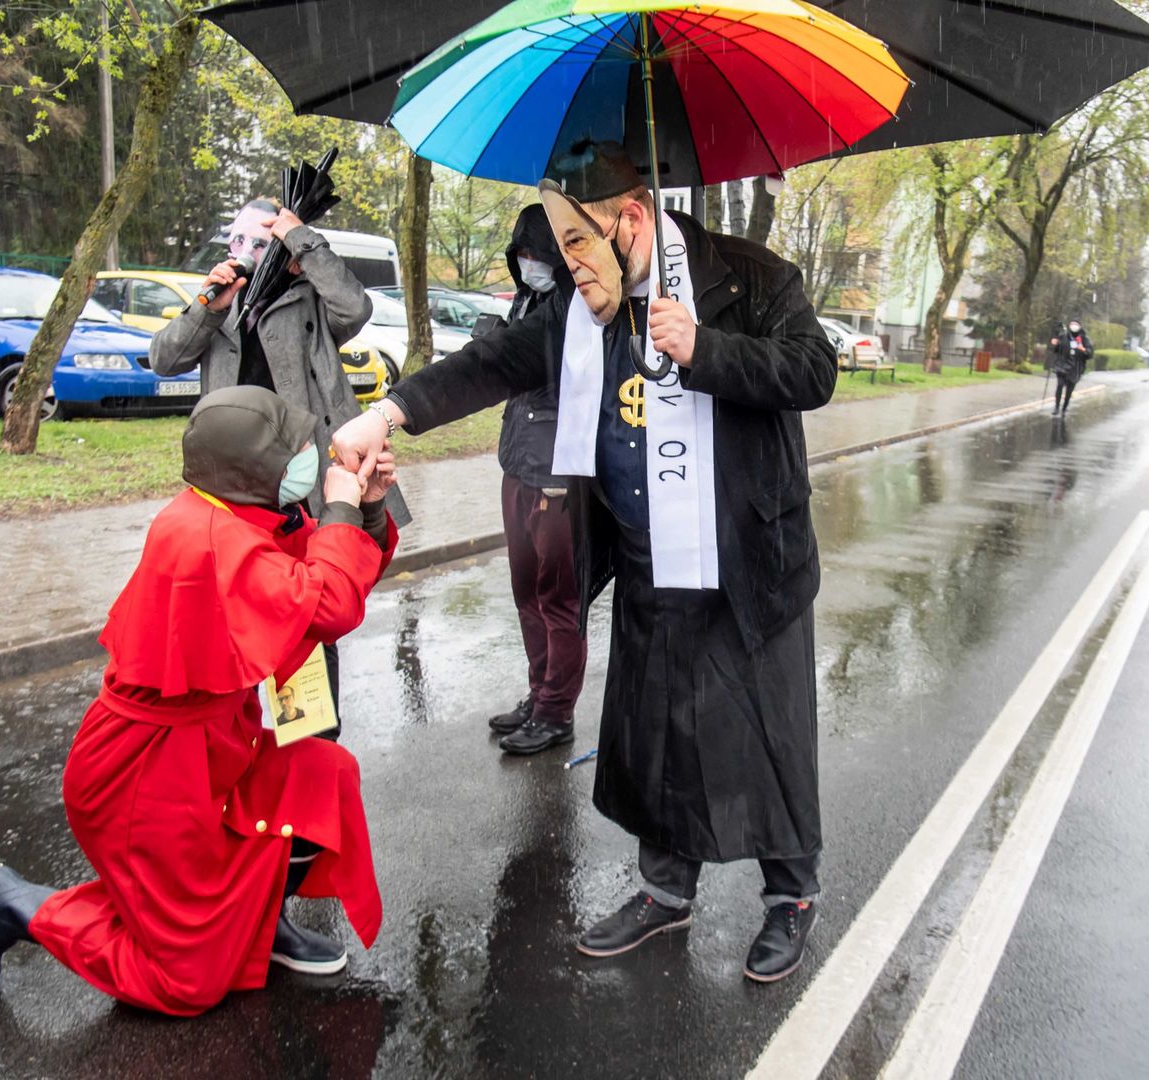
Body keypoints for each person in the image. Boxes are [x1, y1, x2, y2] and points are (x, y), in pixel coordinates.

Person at [332, 140, 838, 983]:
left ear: (630, 220)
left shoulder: (754, 278)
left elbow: (813, 372)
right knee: (657, 732)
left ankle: (790, 895)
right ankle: (664, 891)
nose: (567, 266)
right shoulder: (579, 307)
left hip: (749, 560)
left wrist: (705, 348)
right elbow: (492, 359)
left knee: (767, 736)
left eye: (577, 244)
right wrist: (385, 415)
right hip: (647, 562)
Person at [0, 387, 398, 1016]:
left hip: (211, 750)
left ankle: (255, 928)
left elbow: (318, 566)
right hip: (142, 776)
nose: (311, 459)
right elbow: (325, 602)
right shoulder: (206, 538)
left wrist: (365, 513)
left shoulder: (239, 511)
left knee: (322, 778)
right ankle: (13, 903)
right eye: (296, 451)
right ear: (253, 469)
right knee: (185, 984)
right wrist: (346, 514)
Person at [151, 197, 374, 727]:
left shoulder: (309, 301)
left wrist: (304, 242)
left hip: (296, 487)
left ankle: (307, 742)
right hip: (231, 493)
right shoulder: (219, 304)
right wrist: (207, 307)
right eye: (236, 240)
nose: (243, 253)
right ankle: (238, 738)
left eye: (258, 242)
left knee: (302, 615)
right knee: (229, 613)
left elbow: (356, 307)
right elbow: (164, 357)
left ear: (282, 250)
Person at [486, 204, 588, 755]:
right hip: (517, 464)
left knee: (558, 600)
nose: (529, 264)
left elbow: (577, 385)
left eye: (537, 254)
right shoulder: (528, 300)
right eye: (521, 255)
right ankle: (538, 693)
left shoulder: (579, 307)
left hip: (557, 475)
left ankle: (556, 713)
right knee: (526, 592)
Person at [1049, 318, 1093, 416]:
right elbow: (1056, 350)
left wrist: (1084, 350)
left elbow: (1090, 354)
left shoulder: (1084, 339)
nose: (1074, 326)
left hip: (1075, 368)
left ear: (1080, 326)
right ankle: (1056, 407)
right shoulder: (1064, 336)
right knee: (1059, 386)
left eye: (1076, 324)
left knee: (1069, 390)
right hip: (1062, 366)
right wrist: (1055, 344)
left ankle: (1064, 407)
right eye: (1072, 324)